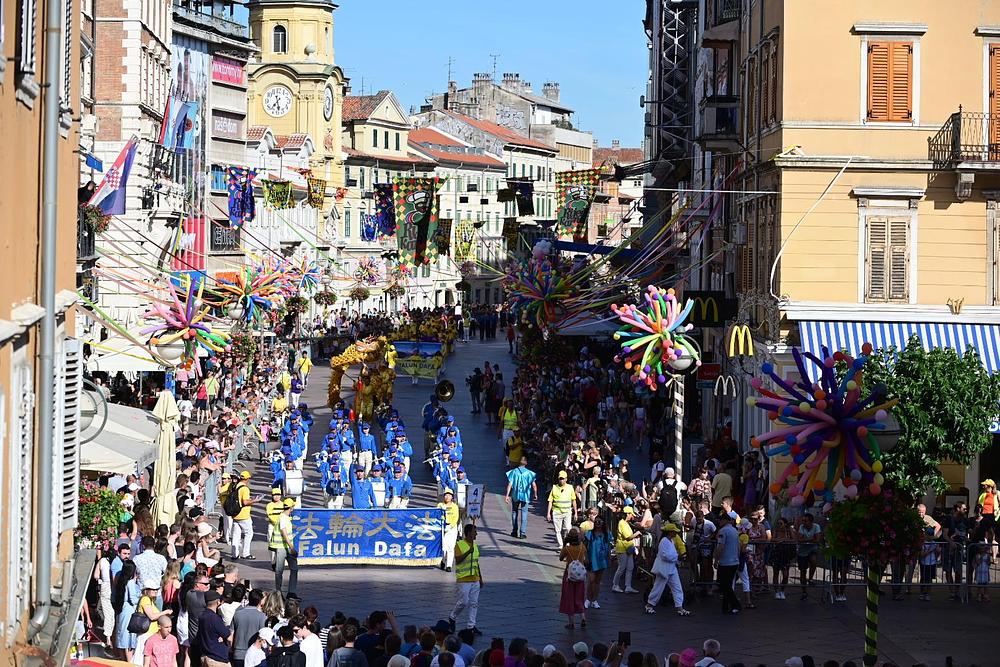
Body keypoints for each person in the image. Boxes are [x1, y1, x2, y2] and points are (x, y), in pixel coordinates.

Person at [646, 524, 691, 616]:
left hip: (671, 569)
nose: (676, 533)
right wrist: (677, 557)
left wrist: (677, 559)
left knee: (677, 588)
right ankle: (649, 605)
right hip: (664, 569)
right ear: (670, 532)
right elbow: (664, 555)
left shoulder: (670, 541)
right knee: (658, 588)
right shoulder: (664, 541)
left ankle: (680, 607)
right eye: (674, 531)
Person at [449, 524, 483, 636]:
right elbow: (458, 560)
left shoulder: (475, 546)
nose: (476, 534)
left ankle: (471, 626)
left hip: (475, 579)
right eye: (474, 532)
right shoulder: (459, 545)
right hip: (464, 579)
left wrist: (481, 578)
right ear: (468, 533)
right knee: (464, 602)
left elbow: (476, 563)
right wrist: (469, 551)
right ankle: (452, 617)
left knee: (474, 603)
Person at [558, 528, 588, 630]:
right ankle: (583, 617)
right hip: (580, 575)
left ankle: (571, 623)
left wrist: (564, 545)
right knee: (579, 597)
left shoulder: (567, 549)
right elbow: (586, 560)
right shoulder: (582, 547)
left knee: (569, 597)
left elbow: (561, 558)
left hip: (569, 575)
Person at [196, 590, 232, 667]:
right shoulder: (214, 618)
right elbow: (229, 637)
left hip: (205, 656)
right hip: (217, 659)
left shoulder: (202, 616)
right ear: (218, 602)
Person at [714, 513, 741, 615]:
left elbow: (720, 547)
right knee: (727, 585)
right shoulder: (735, 531)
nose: (719, 522)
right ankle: (725, 606)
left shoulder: (723, 531)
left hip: (726, 562)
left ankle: (735, 604)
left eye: (720, 520)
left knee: (724, 585)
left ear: (725, 520)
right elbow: (738, 546)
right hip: (734, 561)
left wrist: (716, 560)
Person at [232, 589, 267, 667]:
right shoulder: (262, 617)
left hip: (238, 654)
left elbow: (231, 635)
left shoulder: (237, 614)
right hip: (254, 656)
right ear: (260, 601)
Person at [270, 498, 299, 595]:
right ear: (291, 508)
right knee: (279, 571)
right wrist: (291, 547)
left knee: (294, 568)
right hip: (282, 547)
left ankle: (292, 592)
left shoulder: (286, 517)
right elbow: (284, 532)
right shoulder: (282, 517)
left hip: (287, 547)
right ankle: (278, 592)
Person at [504, 458, 537, 539]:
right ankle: (522, 533)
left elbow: (510, 484)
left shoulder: (514, 472)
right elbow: (534, 485)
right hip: (525, 495)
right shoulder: (529, 473)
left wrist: (507, 495)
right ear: (526, 463)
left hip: (515, 495)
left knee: (514, 512)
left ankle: (514, 531)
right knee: (524, 513)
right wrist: (535, 493)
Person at [611, 506, 640, 594]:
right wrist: (637, 533)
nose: (632, 516)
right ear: (627, 514)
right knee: (622, 567)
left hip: (628, 548)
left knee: (630, 567)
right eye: (631, 514)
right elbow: (628, 537)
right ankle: (615, 585)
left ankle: (628, 586)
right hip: (622, 548)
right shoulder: (622, 523)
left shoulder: (625, 523)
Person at [547, 471, 577, 550]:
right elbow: (550, 501)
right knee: (557, 530)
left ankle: (567, 543)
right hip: (557, 511)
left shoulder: (570, 488)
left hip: (567, 511)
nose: (561, 480)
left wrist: (576, 513)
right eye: (560, 479)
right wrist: (548, 513)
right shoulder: (554, 488)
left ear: (566, 479)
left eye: (563, 479)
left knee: (567, 528)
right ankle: (561, 545)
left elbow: (574, 500)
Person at [232, 471, 258, 561]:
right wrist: (255, 500)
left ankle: (234, 554)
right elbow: (245, 502)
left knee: (236, 535)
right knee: (249, 533)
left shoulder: (235, 486)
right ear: (247, 479)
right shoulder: (245, 489)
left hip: (235, 514)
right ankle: (246, 553)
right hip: (243, 514)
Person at [796, 513, 822, 599]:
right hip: (802, 551)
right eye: (803, 520)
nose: (803, 522)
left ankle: (810, 578)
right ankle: (804, 591)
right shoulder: (801, 527)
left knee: (813, 561)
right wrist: (811, 539)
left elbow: (817, 539)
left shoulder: (816, 526)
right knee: (803, 572)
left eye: (805, 521)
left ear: (811, 522)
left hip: (812, 549)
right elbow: (799, 539)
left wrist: (805, 540)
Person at [438, 490, 460, 571]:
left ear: (452, 497)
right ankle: (443, 561)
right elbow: (437, 515)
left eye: (449, 495)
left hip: (451, 528)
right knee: (443, 547)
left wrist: (451, 526)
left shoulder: (454, 506)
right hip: (442, 528)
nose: (447, 497)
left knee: (451, 547)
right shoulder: (440, 505)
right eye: (446, 495)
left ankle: (449, 565)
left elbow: (456, 517)